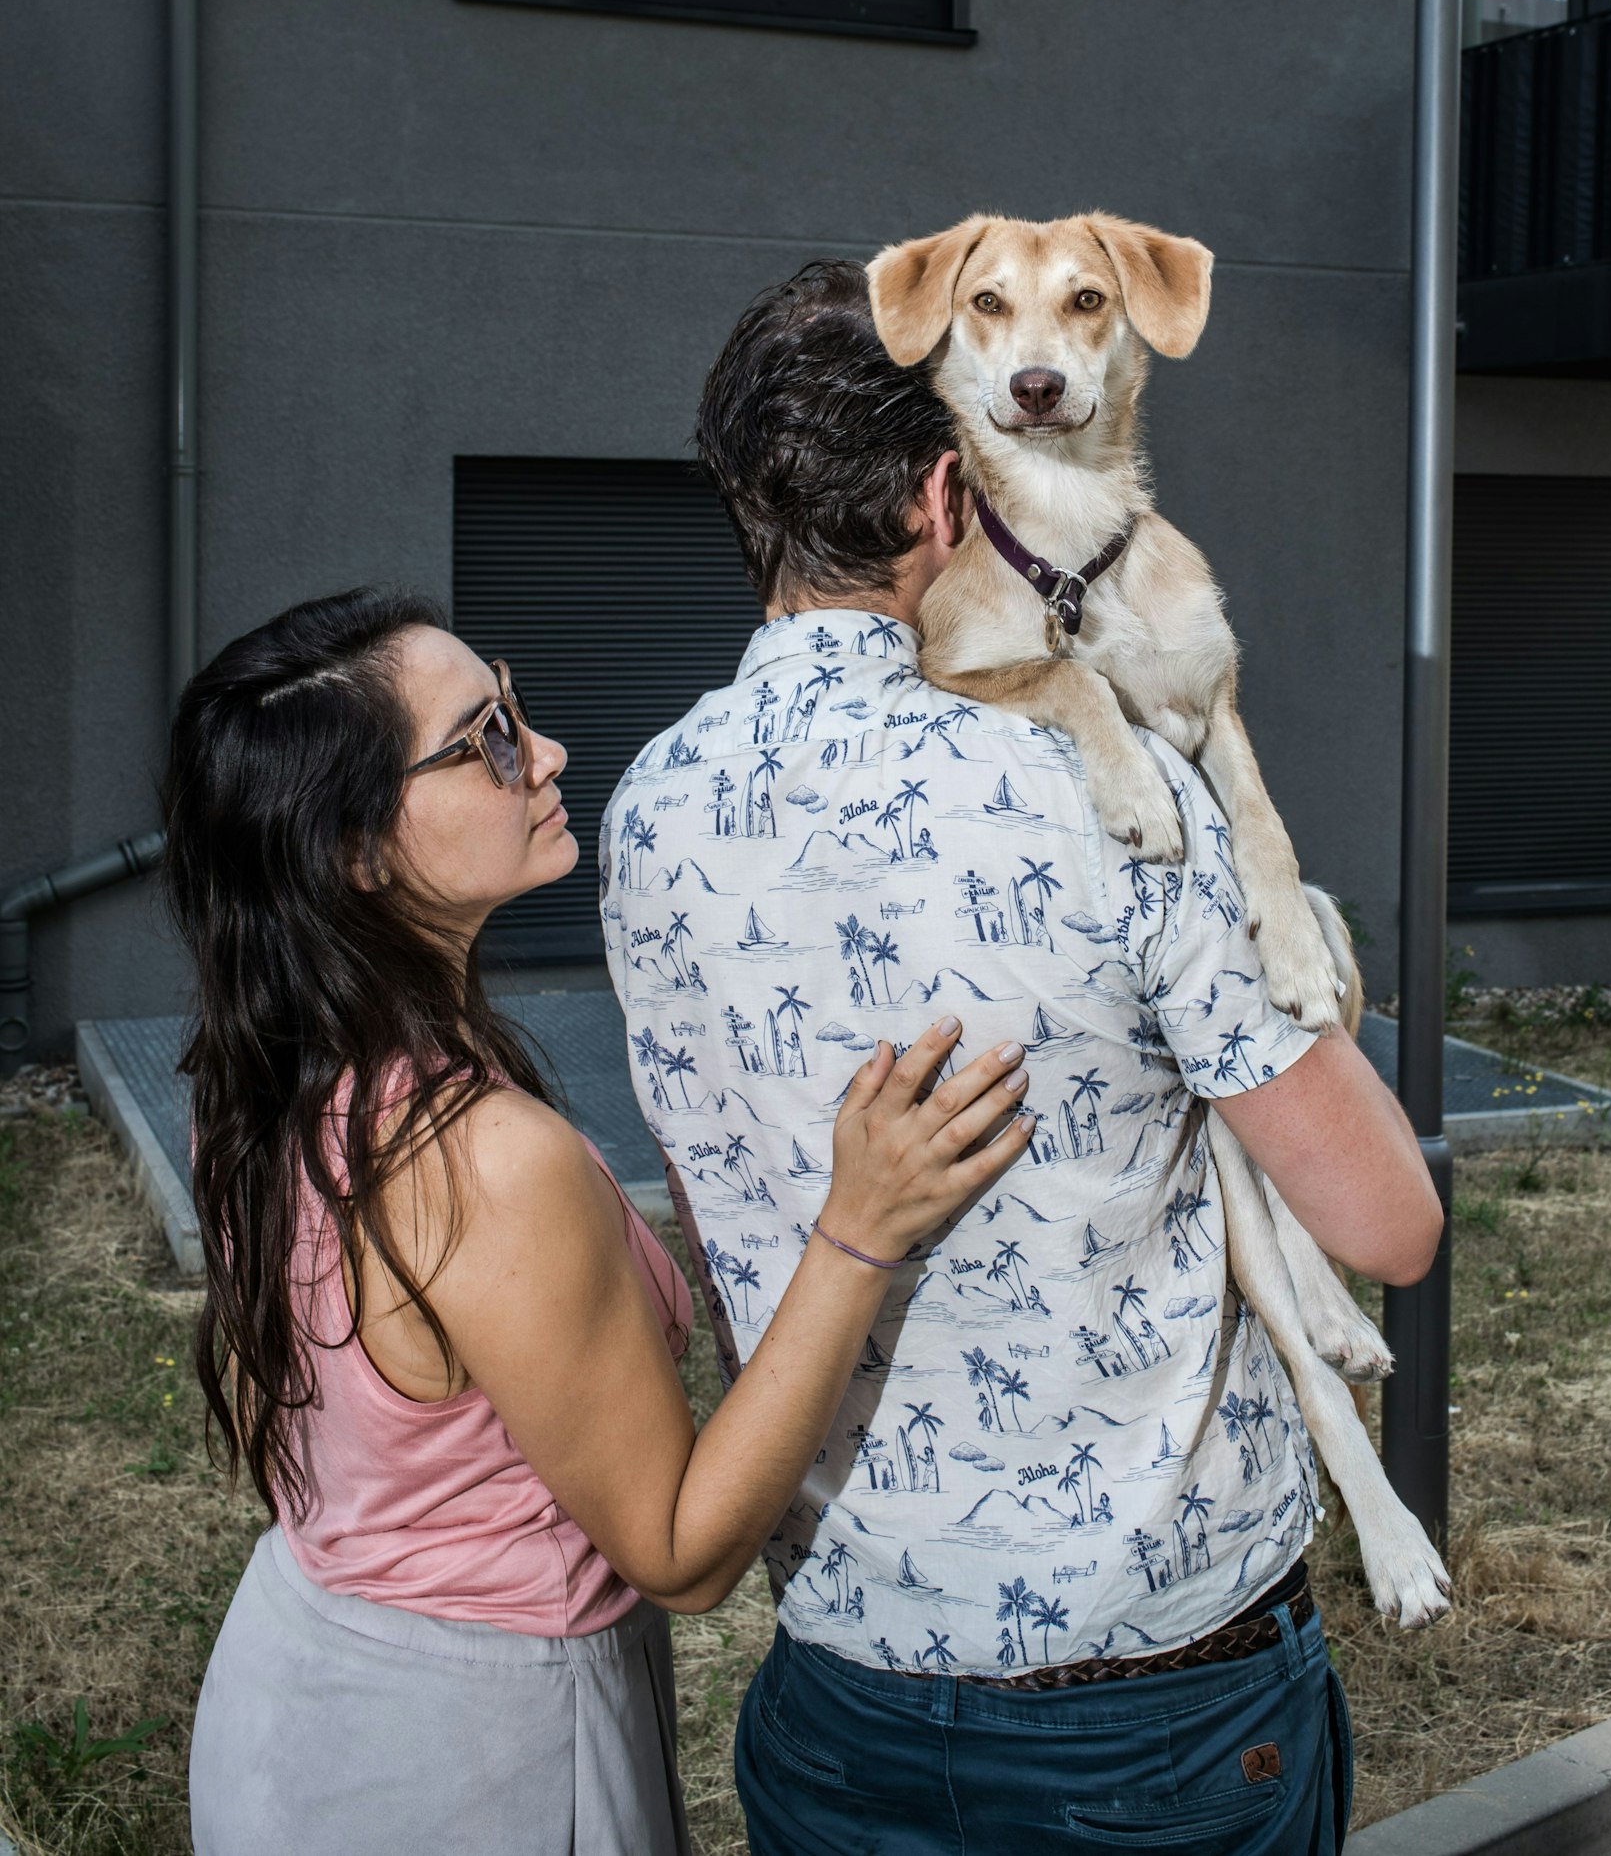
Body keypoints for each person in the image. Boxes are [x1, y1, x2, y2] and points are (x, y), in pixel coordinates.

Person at [602, 260, 1443, 1856]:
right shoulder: (1098, 778)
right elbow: (1387, 1222)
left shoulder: (647, 809)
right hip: (1155, 1692)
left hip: (843, 1671)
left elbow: (713, 1205)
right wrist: (1299, 953)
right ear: (952, 488)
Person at [171, 585, 1031, 1856]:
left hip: (306, 1674)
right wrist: (859, 1230)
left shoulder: (257, 1084)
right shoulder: (480, 1158)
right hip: (468, 1753)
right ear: (355, 851)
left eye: (513, 706)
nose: (549, 752)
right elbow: (678, 1552)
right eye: (487, 739)